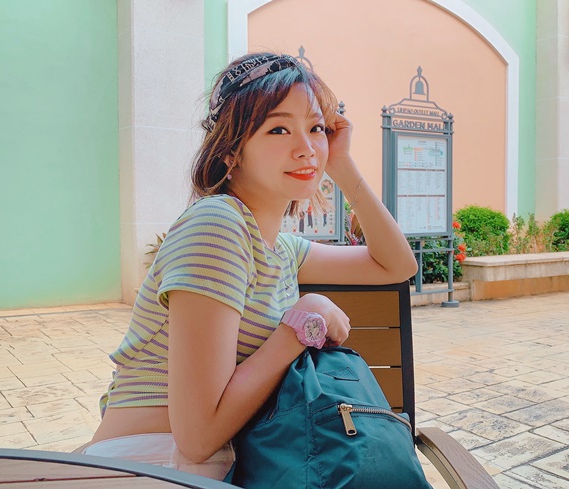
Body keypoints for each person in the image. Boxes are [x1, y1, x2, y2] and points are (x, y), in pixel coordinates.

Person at [83, 52, 417, 480]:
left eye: (316, 128)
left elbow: (395, 265)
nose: (306, 148)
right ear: (231, 151)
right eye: (278, 129)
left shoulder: (280, 248)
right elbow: (197, 437)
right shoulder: (217, 224)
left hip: (221, 464)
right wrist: (303, 322)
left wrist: (341, 165)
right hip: (154, 463)